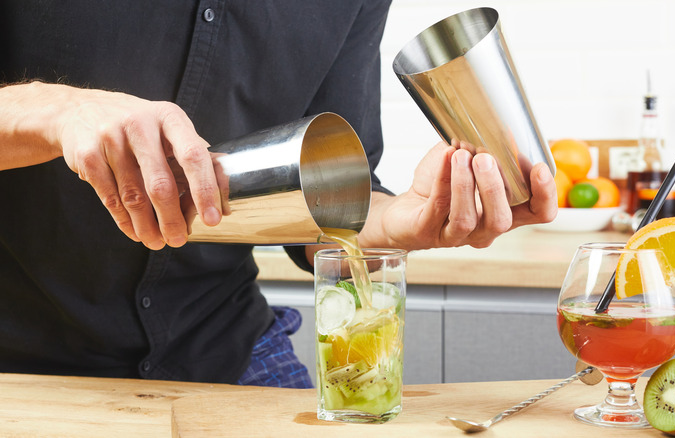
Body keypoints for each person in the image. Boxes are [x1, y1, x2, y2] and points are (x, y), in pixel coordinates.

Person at [0, 1, 556, 388]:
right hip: (22, 359)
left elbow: (327, 208)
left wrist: (402, 219)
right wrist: (55, 111)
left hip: (224, 344)